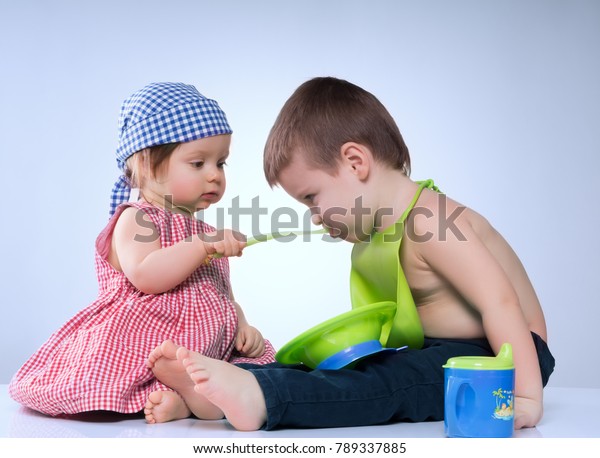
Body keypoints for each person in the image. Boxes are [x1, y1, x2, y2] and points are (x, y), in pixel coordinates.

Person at [146, 77, 555, 431]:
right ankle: (233, 388)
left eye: (312, 197)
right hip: (435, 350)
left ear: (355, 162)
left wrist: (523, 396)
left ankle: (260, 398)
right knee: (340, 369)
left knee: (388, 385)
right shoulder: (377, 232)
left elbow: (500, 302)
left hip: (500, 356)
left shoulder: (431, 220)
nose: (315, 215)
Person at [8, 82, 276, 424]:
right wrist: (200, 247)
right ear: (148, 164)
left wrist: (242, 324)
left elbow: (221, 294)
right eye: (198, 163)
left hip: (207, 345)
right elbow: (147, 276)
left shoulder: (206, 233)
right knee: (118, 369)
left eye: (221, 163)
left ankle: (186, 398)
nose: (215, 175)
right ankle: (183, 390)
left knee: (257, 379)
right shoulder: (136, 217)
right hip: (149, 338)